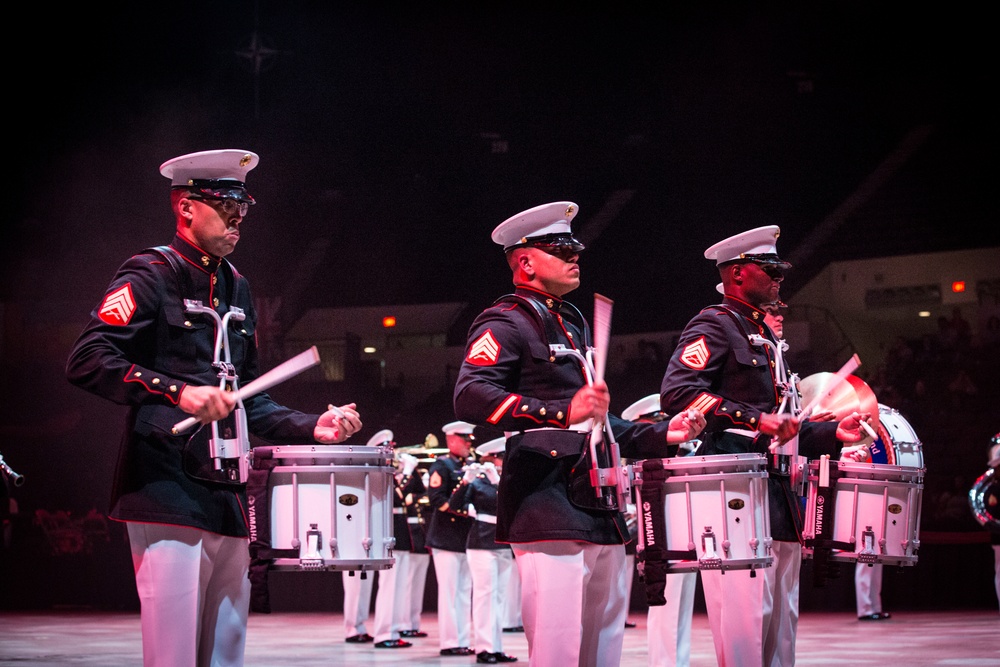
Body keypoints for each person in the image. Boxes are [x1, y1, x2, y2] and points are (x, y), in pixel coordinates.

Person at [65, 149, 363, 667]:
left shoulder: (236, 286)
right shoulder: (151, 272)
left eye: (243, 206)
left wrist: (313, 426)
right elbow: (88, 358)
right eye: (226, 205)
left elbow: (249, 395)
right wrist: (175, 391)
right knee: (174, 651)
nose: (238, 217)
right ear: (185, 207)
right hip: (166, 484)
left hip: (227, 488)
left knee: (227, 647)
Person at [453, 201, 706, 667]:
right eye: (560, 249)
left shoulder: (571, 322)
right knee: (558, 648)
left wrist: (665, 433)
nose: (575, 257)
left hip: (599, 502)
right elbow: (470, 394)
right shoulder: (505, 321)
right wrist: (560, 410)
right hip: (545, 498)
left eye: (575, 249)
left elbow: (599, 424)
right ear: (525, 262)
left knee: (604, 645)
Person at [659, 225, 871, 667]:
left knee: (780, 621)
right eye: (769, 268)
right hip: (733, 483)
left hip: (778, 489)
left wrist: (835, 433)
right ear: (737, 273)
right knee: (745, 620)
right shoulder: (713, 325)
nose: (779, 277)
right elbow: (677, 393)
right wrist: (756, 419)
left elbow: (785, 426)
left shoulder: (767, 338)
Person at [622, 394, 699, 667]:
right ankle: (665, 663)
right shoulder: (643, 453)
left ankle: (677, 661)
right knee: (667, 601)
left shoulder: (688, 451)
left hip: (686, 527)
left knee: (681, 602)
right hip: (658, 528)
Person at [448, 436, 518, 664]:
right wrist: (466, 482)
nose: (502, 463)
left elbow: (513, 506)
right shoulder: (477, 482)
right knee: (484, 596)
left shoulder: (506, 482)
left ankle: (496, 647)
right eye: (500, 459)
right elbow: (455, 506)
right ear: (491, 458)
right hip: (481, 543)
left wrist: (498, 483)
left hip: (503, 544)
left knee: (499, 598)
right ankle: (484, 648)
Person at [425, 420, 477, 656]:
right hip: (446, 536)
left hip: (464, 537)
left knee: (465, 591)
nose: (468, 444)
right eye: (465, 440)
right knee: (450, 592)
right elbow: (436, 499)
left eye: (469, 440)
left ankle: (463, 639)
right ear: (452, 440)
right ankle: (450, 642)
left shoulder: (468, 465)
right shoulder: (442, 466)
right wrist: (462, 508)